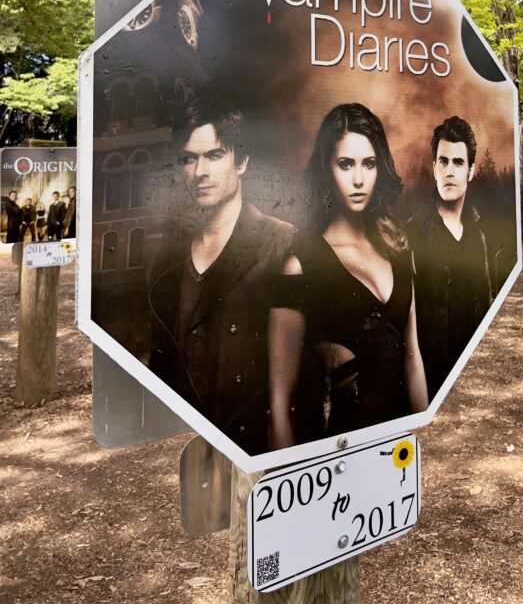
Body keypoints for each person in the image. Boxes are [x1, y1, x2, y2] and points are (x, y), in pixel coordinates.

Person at [268, 103, 428, 449]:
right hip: (338, 456)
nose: (358, 179)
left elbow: (413, 360)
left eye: (369, 164)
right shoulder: (300, 266)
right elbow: (280, 404)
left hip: (398, 448)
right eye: (345, 164)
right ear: (326, 169)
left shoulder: (397, 252)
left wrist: (423, 443)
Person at [148, 92, 295, 455]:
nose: (200, 172)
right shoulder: (166, 257)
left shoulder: (280, 244)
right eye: (188, 159)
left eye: (214, 155)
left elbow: (291, 394)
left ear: (241, 160)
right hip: (190, 451)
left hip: (255, 453)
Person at [407, 116, 492, 399]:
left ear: (471, 171)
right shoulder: (410, 235)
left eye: (458, 163)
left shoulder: (480, 239)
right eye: (443, 161)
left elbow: (484, 313)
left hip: (469, 385)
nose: (450, 171)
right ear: (434, 168)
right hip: (424, 385)